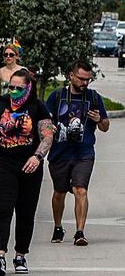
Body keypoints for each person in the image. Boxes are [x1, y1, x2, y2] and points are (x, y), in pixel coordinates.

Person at [0, 68, 53, 275]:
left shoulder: (38, 108)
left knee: (25, 213)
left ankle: (20, 255)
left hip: (29, 167)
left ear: (28, 88)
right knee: (2, 210)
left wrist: (37, 157)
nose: (14, 92)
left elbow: (47, 136)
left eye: (19, 88)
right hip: (2, 164)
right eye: (11, 87)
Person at [45, 61, 111, 246]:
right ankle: (58, 227)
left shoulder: (94, 98)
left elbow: (105, 126)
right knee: (59, 192)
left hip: (84, 152)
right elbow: (44, 123)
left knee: (80, 189)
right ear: (71, 75)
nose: (84, 83)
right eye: (81, 79)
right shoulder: (57, 96)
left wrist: (99, 120)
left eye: (87, 80)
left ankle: (79, 232)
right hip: (60, 152)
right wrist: (52, 128)